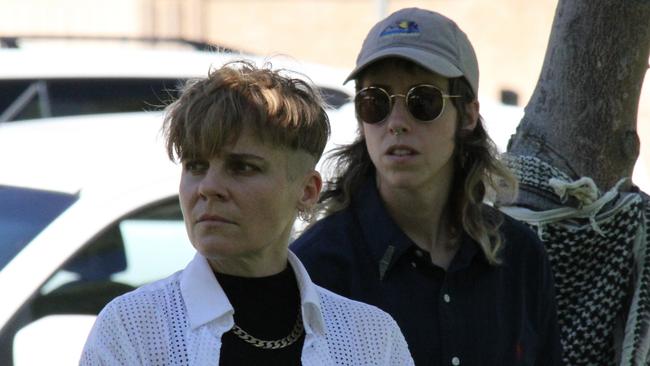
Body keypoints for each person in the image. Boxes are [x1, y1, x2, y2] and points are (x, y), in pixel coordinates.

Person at [80, 61, 414, 365]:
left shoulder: (371, 339)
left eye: (241, 167)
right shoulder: (133, 328)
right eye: (195, 165)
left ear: (307, 190)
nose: (208, 187)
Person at [291, 8, 562, 366]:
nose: (397, 123)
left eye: (423, 102)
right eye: (376, 102)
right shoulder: (316, 268)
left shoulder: (521, 258)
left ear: (466, 115)